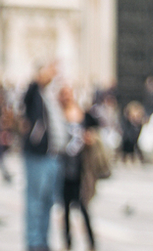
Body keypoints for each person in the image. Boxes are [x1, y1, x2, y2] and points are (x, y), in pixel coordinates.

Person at [21, 59, 66, 251]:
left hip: (54, 156)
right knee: (35, 202)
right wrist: (40, 78)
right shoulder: (34, 94)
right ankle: (34, 242)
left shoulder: (51, 96)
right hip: (38, 156)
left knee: (48, 202)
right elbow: (28, 94)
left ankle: (43, 241)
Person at [58, 91, 98, 250]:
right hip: (63, 168)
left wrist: (90, 137)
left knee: (83, 207)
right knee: (65, 208)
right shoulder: (58, 115)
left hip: (81, 169)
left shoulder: (83, 115)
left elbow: (96, 129)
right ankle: (67, 243)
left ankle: (91, 243)